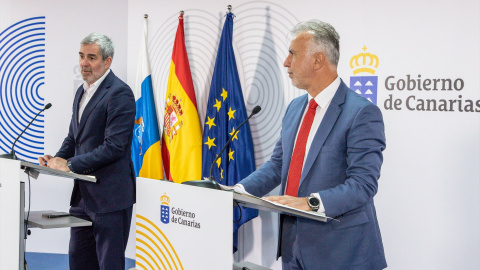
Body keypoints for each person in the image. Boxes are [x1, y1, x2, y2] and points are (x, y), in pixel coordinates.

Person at [237, 20, 387, 269]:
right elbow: (278, 165)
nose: (286, 62)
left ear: (318, 60)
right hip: (292, 246)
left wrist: (311, 203)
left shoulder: (362, 112)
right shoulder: (296, 108)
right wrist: (238, 191)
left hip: (341, 253)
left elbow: (363, 184)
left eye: (293, 54)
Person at [38, 33, 136, 270]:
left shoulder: (120, 93)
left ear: (107, 62)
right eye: (82, 56)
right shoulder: (81, 92)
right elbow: (74, 137)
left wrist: (70, 165)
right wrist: (58, 158)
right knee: (79, 262)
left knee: (108, 265)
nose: (84, 63)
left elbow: (115, 147)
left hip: (109, 197)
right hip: (82, 197)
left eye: (91, 58)